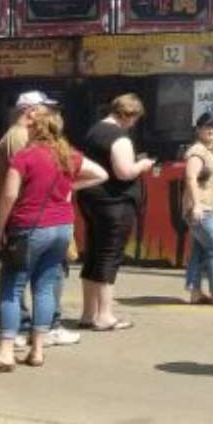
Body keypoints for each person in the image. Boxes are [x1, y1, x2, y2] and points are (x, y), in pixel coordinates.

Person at [0, 105, 101, 372]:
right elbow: (101, 174)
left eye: (30, 126)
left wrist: (0, 228)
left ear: (37, 129)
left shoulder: (24, 157)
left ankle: (6, 352)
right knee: (45, 287)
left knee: (11, 288)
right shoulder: (68, 155)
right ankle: (37, 350)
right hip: (62, 226)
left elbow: (9, 195)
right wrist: (70, 186)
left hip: (28, 227)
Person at [73, 93, 150, 332]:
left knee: (94, 253)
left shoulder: (94, 131)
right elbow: (124, 171)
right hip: (114, 203)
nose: (134, 124)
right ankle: (105, 315)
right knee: (109, 255)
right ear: (129, 115)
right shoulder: (120, 137)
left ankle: (88, 313)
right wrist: (143, 165)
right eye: (135, 119)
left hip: (91, 200)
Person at [181, 112, 213, 306]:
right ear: (198, 130)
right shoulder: (197, 152)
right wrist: (197, 205)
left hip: (212, 209)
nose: (211, 130)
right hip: (202, 208)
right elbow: (190, 178)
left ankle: (195, 292)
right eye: (206, 126)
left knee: (200, 250)